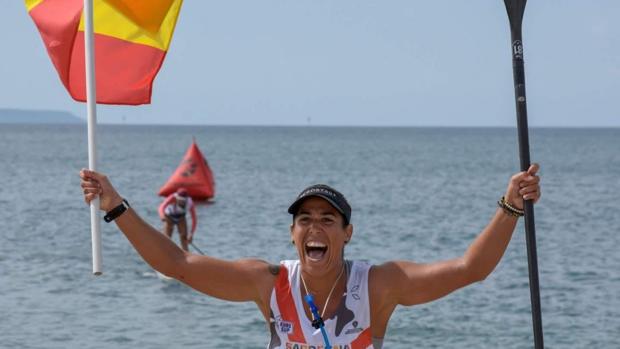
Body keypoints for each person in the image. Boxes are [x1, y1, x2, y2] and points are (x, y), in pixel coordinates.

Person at [80, 164, 541, 349]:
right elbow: (176, 265)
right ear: (292, 233)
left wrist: (510, 205)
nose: (314, 227)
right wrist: (115, 206)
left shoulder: (378, 285)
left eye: (327, 219)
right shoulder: (268, 282)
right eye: (304, 219)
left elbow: (470, 269)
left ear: (347, 234)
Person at [158, 187, 197, 252]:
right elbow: (161, 207)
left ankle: (185, 252)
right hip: (169, 217)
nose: (181, 201)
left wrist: (191, 234)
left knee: (184, 237)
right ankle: (164, 251)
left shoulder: (190, 203)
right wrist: (162, 216)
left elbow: (194, 219)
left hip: (181, 217)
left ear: (186, 199)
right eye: (179, 199)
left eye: (183, 200)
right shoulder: (173, 198)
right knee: (167, 237)